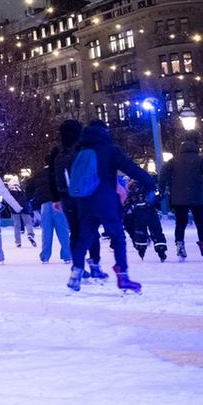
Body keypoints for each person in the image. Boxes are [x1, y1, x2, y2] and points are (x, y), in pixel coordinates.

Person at [67, 120, 155, 293]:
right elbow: (131, 169)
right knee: (118, 238)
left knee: (84, 238)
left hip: (85, 202)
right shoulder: (110, 150)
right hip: (106, 202)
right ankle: (123, 276)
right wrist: (150, 183)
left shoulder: (82, 152)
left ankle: (75, 275)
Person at [160, 136, 203, 262]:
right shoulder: (200, 160)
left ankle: (180, 244)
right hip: (196, 195)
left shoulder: (173, 161)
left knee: (180, 222)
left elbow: (163, 174)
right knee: (200, 222)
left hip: (178, 197)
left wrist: (162, 189)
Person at [51, 120, 103, 280]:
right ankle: (94, 265)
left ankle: (77, 266)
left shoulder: (59, 155)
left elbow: (53, 178)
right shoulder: (83, 152)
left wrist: (57, 197)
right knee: (92, 231)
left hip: (67, 198)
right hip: (85, 197)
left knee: (75, 232)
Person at [122, 172, 168, 262]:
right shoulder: (149, 186)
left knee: (140, 231)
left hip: (138, 212)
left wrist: (123, 210)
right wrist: (162, 195)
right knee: (156, 230)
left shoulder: (132, 188)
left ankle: (141, 249)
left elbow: (128, 201)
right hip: (151, 212)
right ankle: (161, 250)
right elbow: (158, 196)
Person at [4, 174, 35, 249]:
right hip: (24, 208)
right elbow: (27, 198)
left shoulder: (10, 192)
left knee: (16, 225)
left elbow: (6, 201)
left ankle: (18, 242)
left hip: (14, 209)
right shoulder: (21, 190)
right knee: (28, 223)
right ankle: (30, 233)